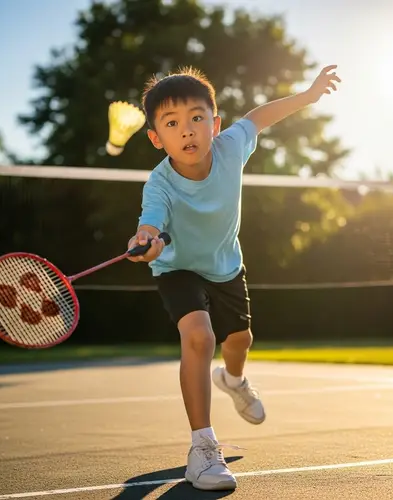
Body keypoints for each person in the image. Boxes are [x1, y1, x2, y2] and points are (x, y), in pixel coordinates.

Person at [127, 64, 341, 491]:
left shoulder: (231, 146)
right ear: (156, 138)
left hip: (226, 265)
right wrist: (147, 241)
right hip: (179, 269)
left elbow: (261, 115)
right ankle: (202, 449)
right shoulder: (159, 184)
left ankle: (234, 379)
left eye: (196, 118)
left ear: (215, 123)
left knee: (239, 341)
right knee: (200, 338)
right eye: (172, 123)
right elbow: (149, 226)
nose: (187, 131)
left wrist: (309, 95)